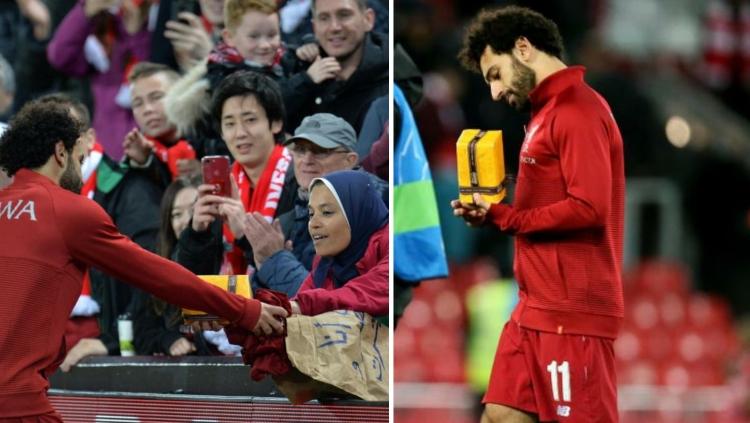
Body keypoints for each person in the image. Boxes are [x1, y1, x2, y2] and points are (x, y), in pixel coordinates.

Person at [0, 99, 288, 420]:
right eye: (80, 160)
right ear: (60, 152)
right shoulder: (69, 210)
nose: (81, 172)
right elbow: (161, 277)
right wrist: (245, 310)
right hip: (17, 404)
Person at [451, 6, 625, 423]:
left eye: (495, 74)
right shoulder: (545, 114)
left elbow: (589, 208)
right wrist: (491, 211)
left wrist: (506, 218)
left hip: (571, 313)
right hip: (534, 307)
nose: (494, 92)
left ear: (524, 49)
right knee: (499, 416)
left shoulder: (578, 110)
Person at [249, 112, 387, 297]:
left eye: (320, 151)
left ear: (350, 160)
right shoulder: (292, 214)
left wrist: (276, 260)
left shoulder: (370, 210)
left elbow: (336, 303)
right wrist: (264, 263)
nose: (306, 160)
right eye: (300, 150)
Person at [175, 70, 297, 276]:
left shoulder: (300, 181)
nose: (240, 133)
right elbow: (189, 278)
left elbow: (298, 266)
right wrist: (197, 234)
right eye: (230, 124)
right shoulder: (219, 188)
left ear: (276, 123)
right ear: (221, 132)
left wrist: (243, 234)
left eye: (250, 120)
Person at [289, 170, 388, 318]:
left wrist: (300, 307)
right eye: (311, 214)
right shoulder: (325, 264)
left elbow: (372, 292)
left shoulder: (393, 245)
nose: (313, 224)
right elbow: (295, 308)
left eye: (327, 212)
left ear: (357, 211)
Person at [283, 0, 388, 133]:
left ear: (368, 19)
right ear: (314, 27)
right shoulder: (299, 69)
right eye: (324, 18)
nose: (334, 27)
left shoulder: (391, 78)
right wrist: (305, 81)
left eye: (344, 15)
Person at [123, 62, 200, 182]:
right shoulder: (135, 158)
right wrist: (144, 164)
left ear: (181, 96)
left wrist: (209, 173)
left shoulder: (212, 137)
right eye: (138, 103)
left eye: (157, 97)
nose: (147, 109)